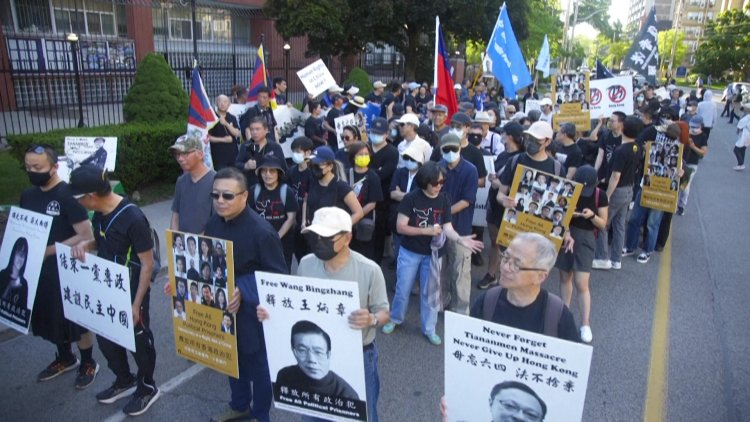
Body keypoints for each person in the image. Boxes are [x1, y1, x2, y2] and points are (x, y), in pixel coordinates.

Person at [262, 206, 388, 422]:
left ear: (347, 237)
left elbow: (384, 312)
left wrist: (372, 318)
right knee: (313, 413)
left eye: (327, 237)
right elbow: (297, 304)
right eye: (315, 236)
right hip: (318, 354)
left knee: (361, 414)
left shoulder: (369, 269)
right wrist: (271, 314)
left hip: (358, 354)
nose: (319, 242)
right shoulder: (307, 263)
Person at [69, 165, 159, 415]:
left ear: (91, 196)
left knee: (138, 341)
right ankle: (124, 380)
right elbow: (102, 238)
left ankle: (147, 387)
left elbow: (147, 263)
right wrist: (86, 244)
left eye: (78, 199)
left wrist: (136, 304)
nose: (78, 204)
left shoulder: (133, 217)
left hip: (132, 290)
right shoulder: (100, 212)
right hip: (106, 287)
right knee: (107, 339)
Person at [201, 167, 288, 422]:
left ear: (244, 196)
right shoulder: (214, 221)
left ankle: (260, 414)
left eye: (227, 196)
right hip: (224, 308)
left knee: (258, 366)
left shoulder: (262, 232)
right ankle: (239, 404)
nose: (220, 201)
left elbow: (277, 278)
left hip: (252, 313)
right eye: (215, 195)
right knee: (229, 357)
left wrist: (242, 288)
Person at [20, 145, 98, 389]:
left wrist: (49, 251)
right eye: (28, 167)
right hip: (39, 270)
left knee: (76, 319)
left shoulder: (67, 196)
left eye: (38, 167)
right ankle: (65, 357)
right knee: (52, 315)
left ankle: (88, 362)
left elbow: (85, 234)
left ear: (54, 167)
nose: (33, 171)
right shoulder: (28, 195)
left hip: (66, 267)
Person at [382, 162, 483, 344]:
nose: (439, 186)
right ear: (424, 182)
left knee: (431, 293)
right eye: (435, 183)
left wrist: (460, 239)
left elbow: (448, 227)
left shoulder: (444, 199)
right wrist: (426, 231)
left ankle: (429, 328)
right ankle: (395, 318)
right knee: (403, 289)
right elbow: (401, 227)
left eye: (442, 182)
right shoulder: (411, 198)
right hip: (410, 251)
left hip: (434, 254)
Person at [469, 232, 580, 342]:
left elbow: (572, 357)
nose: (506, 268)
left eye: (517, 264)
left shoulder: (557, 315)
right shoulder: (487, 301)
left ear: (540, 277)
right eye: (505, 258)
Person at [554, 166, 608, 344]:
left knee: (581, 283)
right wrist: (567, 231)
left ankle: (585, 323)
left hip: (586, 240)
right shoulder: (568, 190)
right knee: (564, 277)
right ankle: (564, 314)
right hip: (567, 236)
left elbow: (602, 224)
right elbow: (560, 215)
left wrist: (591, 216)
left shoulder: (600, 195)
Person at [437, 133, 482, 313]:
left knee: (461, 272)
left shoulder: (470, 170)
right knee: (440, 270)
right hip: (439, 228)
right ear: (441, 150)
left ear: (460, 148)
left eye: (453, 149)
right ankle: (443, 302)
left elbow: (467, 200)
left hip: (461, 229)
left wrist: (444, 214)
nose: (450, 152)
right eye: (446, 149)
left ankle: (462, 311)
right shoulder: (437, 167)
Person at [592, 116, 641, 270]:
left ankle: (602, 257)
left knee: (603, 223)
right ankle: (616, 259)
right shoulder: (637, 147)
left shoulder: (620, 150)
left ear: (624, 128)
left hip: (617, 190)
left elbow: (615, 175)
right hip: (629, 189)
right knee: (619, 225)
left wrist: (607, 194)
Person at [480, 122, 525, 290]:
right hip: (494, 203)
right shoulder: (502, 155)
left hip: (507, 206)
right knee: (495, 242)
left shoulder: (521, 158)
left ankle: (506, 278)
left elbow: (516, 186)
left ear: (510, 136)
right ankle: (491, 274)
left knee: (508, 245)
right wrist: (494, 178)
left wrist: (498, 183)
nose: (500, 136)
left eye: (503, 133)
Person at [274, 320, 359, 400]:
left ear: (328, 354)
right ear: (294, 351)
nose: (311, 359)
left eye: (318, 352)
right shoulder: (285, 375)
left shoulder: (347, 394)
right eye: (302, 350)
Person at [249, 154, 298, 271]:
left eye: (272, 171)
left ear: (278, 173)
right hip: (259, 242)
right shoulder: (254, 191)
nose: (268, 174)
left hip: (283, 243)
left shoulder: (286, 191)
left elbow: (291, 218)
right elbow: (249, 215)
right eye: (264, 171)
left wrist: (276, 237)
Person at [302, 146, 364, 231]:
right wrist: (304, 221)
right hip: (314, 234)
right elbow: (306, 201)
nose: (314, 167)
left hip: (333, 238)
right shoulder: (312, 181)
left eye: (319, 164)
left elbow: (358, 213)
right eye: (312, 164)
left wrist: (341, 230)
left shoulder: (341, 187)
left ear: (330, 166)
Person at [369, 117, 399, 264]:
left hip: (383, 197)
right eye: (373, 132)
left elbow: (382, 174)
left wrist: (369, 171)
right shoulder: (365, 147)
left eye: (379, 133)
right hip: (364, 196)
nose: (375, 135)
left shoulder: (392, 152)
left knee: (380, 229)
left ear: (386, 134)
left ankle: (377, 260)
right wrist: (375, 171)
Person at [346, 142, 383, 260]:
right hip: (347, 221)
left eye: (366, 154)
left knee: (364, 256)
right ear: (353, 156)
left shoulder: (373, 176)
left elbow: (372, 204)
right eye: (360, 154)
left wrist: (356, 216)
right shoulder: (347, 173)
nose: (363, 157)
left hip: (364, 224)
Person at [235, 117, 287, 188]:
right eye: (252, 129)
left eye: (257, 129)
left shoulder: (275, 147)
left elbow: (284, 169)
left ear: (266, 130)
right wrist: (246, 166)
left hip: (271, 188)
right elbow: (236, 165)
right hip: (251, 188)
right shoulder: (245, 146)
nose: (254, 132)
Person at [288, 137, 315, 262]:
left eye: (298, 151)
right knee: (298, 251)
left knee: (310, 252)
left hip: (308, 217)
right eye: (294, 151)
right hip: (295, 217)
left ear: (308, 153)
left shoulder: (313, 172)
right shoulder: (292, 171)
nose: (295, 154)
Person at [677, 115, 708, 215]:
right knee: (676, 183)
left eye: (695, 127)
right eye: (691, 127)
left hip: (692, 164)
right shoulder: (685, 133)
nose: (693, 129)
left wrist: (693, 146)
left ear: (701, 126)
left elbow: (703, 152)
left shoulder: (703, 137)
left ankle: (682, 206)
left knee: (685, 185)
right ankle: (673, 203)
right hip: (681, 161)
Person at [208, 95, 241, 170]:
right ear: (216, 103)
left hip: (233, 155)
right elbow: (208, 137)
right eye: (220, 101)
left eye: (225, 102)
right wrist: (223, 139)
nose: (222, 104)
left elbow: (237, 133)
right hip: (218, 155)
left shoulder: (232, 117)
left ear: (229, 104)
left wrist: (226, 124)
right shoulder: (212, 117)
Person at [733, 102, 750, 171]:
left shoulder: (748, 116)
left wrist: (738, 129)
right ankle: (740, 163)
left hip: (746, 133)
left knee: (736, 149)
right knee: (743, 148)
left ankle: (741, 163)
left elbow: (741, 123)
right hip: (748, 134)